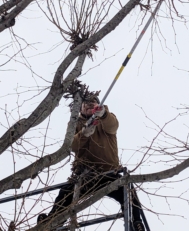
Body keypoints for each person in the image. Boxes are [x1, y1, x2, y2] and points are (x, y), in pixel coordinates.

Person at [37, 95, 145, 231]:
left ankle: (136, 222)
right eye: (85, 103)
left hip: (108, 173)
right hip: (84, 175)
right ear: (81, 108)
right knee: (65, 194)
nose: (89, 105)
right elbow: (71, 146)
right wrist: (84, 134)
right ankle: (52, 223)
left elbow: (113, 126)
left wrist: (103, 114)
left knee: (128, 192)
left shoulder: (106, 119)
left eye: (92, 102)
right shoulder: (75, 124)